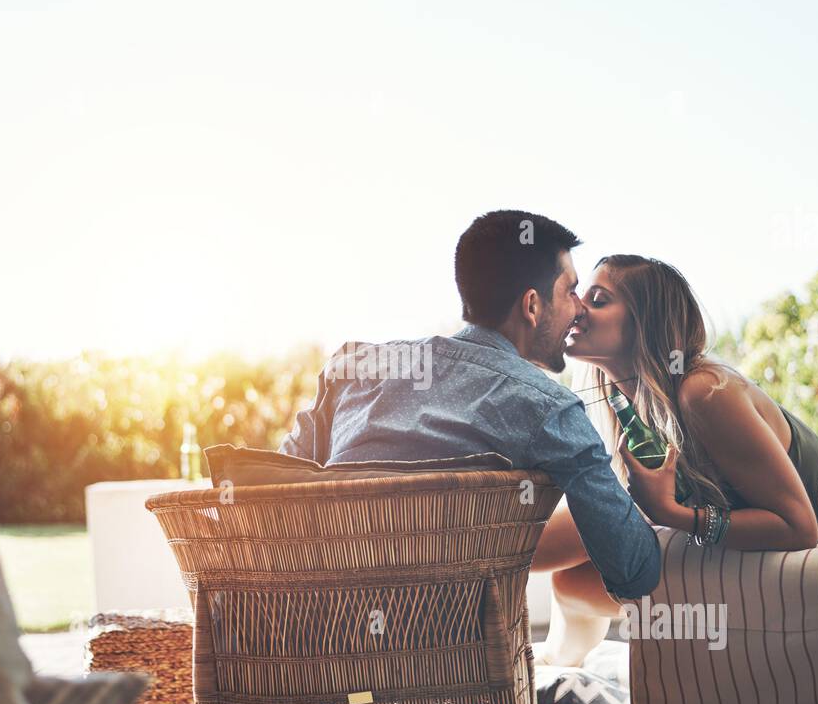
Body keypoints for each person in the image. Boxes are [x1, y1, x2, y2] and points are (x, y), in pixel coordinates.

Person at [279, 210, 661, 619]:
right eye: (570, 291)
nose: (578, 308)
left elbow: (268, 490)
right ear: (532, 305)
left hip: (317, 633)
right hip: (457, 652)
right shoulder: (550, 408)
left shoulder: (354, 367)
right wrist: (649, 496)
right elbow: (635, 570)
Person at [533, 253, 818, 661]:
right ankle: (555, 676)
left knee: (592, 553)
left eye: (599, 299)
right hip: (768, 561)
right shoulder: (627, 403)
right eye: (580, 297)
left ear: (646, 321)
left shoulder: (704, 392)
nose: (577, 308)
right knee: (571, 581)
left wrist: (673, 514)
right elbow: (571, 532)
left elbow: (800, 527)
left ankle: (553, 677)